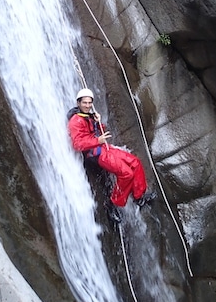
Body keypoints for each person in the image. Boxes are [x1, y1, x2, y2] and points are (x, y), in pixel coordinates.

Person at [67, 88, 156, 223]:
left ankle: (139, 196)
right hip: (95, 154)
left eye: (89, 103)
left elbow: (100, 130)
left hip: (102, 148)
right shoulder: (76, 121)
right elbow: (77, 144)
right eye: (84, 103)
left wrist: (98, 122)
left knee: (135, 162)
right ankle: (112, 204)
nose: (87, 105)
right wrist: (98, 141)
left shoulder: (88, 117)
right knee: (126, 173)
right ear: (78, 103)